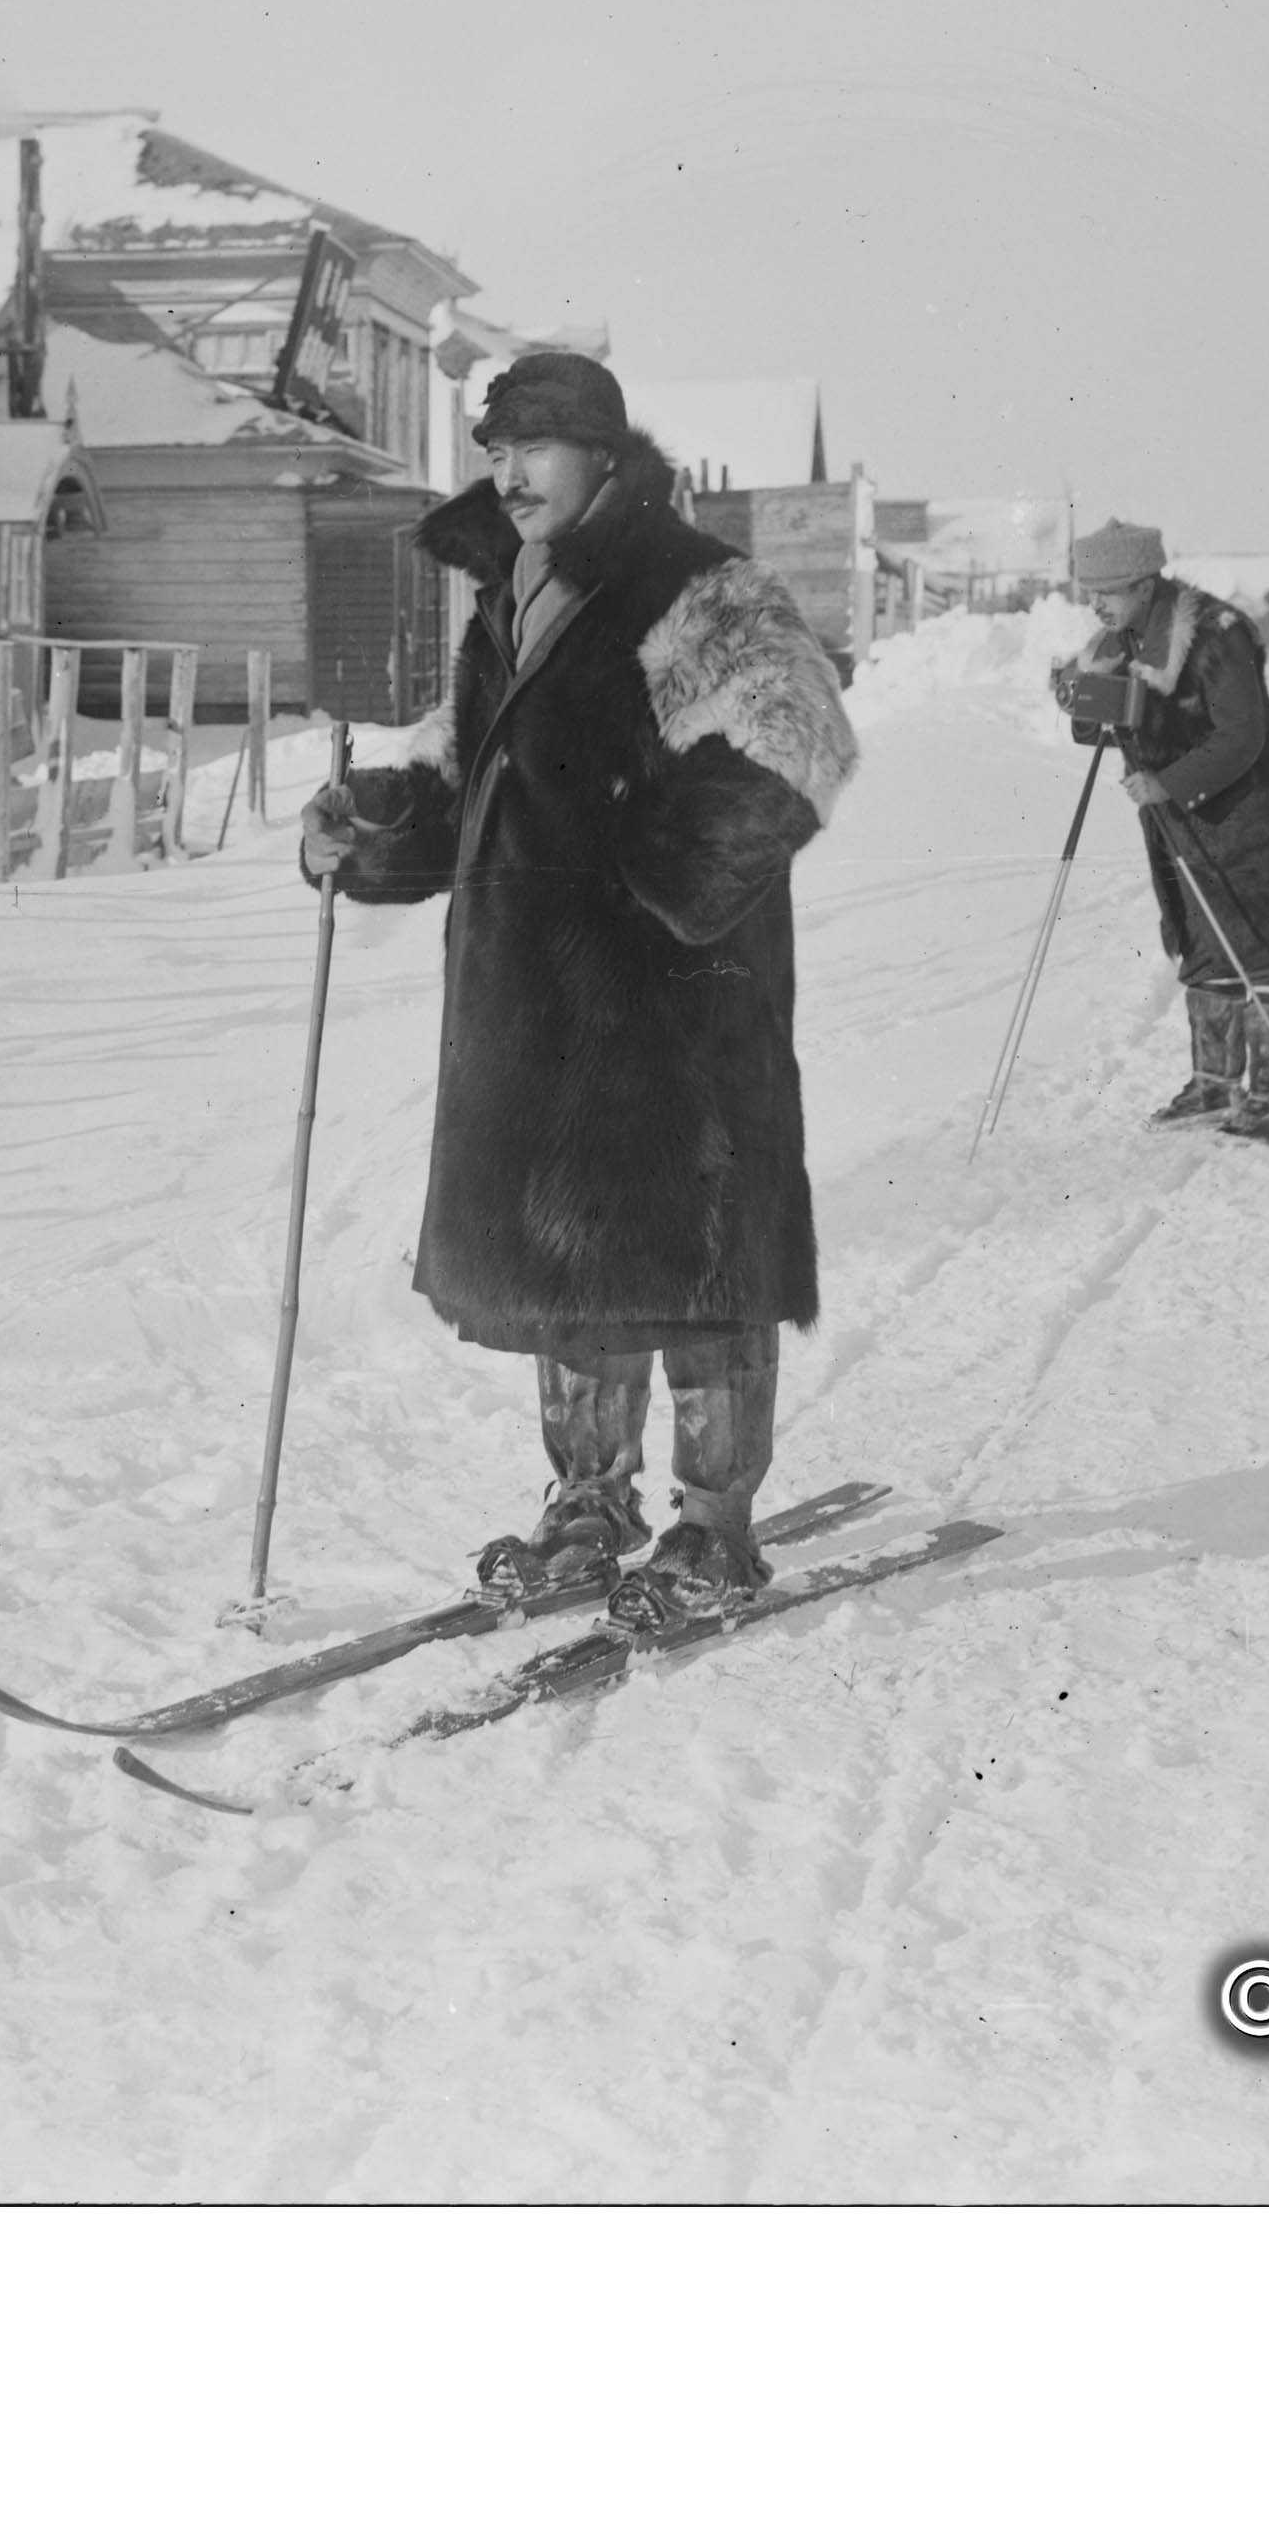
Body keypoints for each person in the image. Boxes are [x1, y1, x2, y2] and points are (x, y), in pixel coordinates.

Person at [300, 349, 860, 1622]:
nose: (507, 473)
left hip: (676, 999)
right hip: (543, 1008)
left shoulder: (695, 587)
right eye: (493, 449)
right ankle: (586, 1499)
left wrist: (658, 875)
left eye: (534, 445)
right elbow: (476, 773)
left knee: (694, 1261)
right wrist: (372, 829)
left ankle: (714, 1523)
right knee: (572, 1260)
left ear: (604, 452)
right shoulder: (514, 592)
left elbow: (797, 738)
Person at [1051, 524, 1269, 1142]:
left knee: (1260, 949)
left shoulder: (1215, 637)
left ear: (1146, 586)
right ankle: (1214, 1084)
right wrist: (1081, 699)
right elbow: (1102, 721)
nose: (1096, 605)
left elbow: (1241, 735)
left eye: (1109, 592)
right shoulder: (1119, 639)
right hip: (1182, 827)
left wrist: (1168, 783)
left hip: (1253, 820)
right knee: (1204, 946)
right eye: (1089, 592)